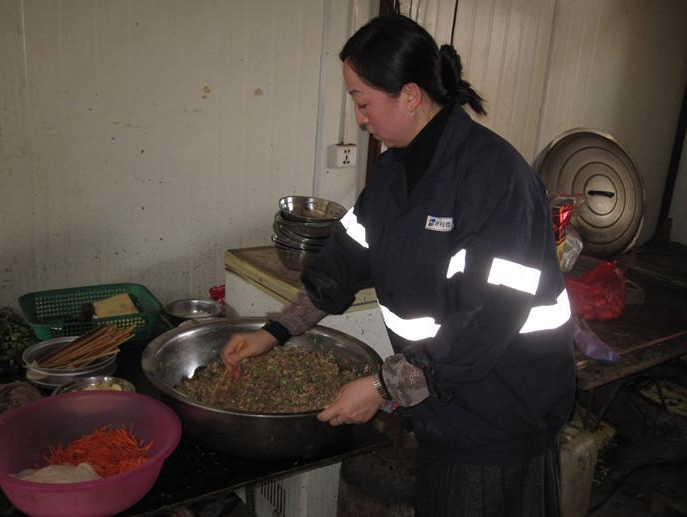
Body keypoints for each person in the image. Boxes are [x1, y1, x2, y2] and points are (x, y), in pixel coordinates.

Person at [223, 14, 575, 517]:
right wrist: (275, 330)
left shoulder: (495, 178)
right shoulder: (392, 173)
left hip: (501, 409)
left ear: (409, 95)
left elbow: (488, 316)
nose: (359, 119)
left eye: (362, 102)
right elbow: (341, 265)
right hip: (441, 399)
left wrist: (383, 386)